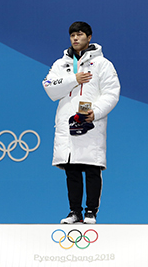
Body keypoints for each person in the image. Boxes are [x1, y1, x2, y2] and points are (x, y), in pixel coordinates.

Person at [43, 22, 120, 224]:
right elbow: (50, 88)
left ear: (89, 36)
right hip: (67, 122)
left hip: (89, 121)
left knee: (92, 167)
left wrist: (96, 112)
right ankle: (74, 212)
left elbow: (112, 93)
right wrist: (74, 79)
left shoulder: (103, 64)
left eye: (79, 35)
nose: (75, 39)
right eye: (72, 35)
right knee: (72, 169)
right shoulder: (61, 64)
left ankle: (91, 211)